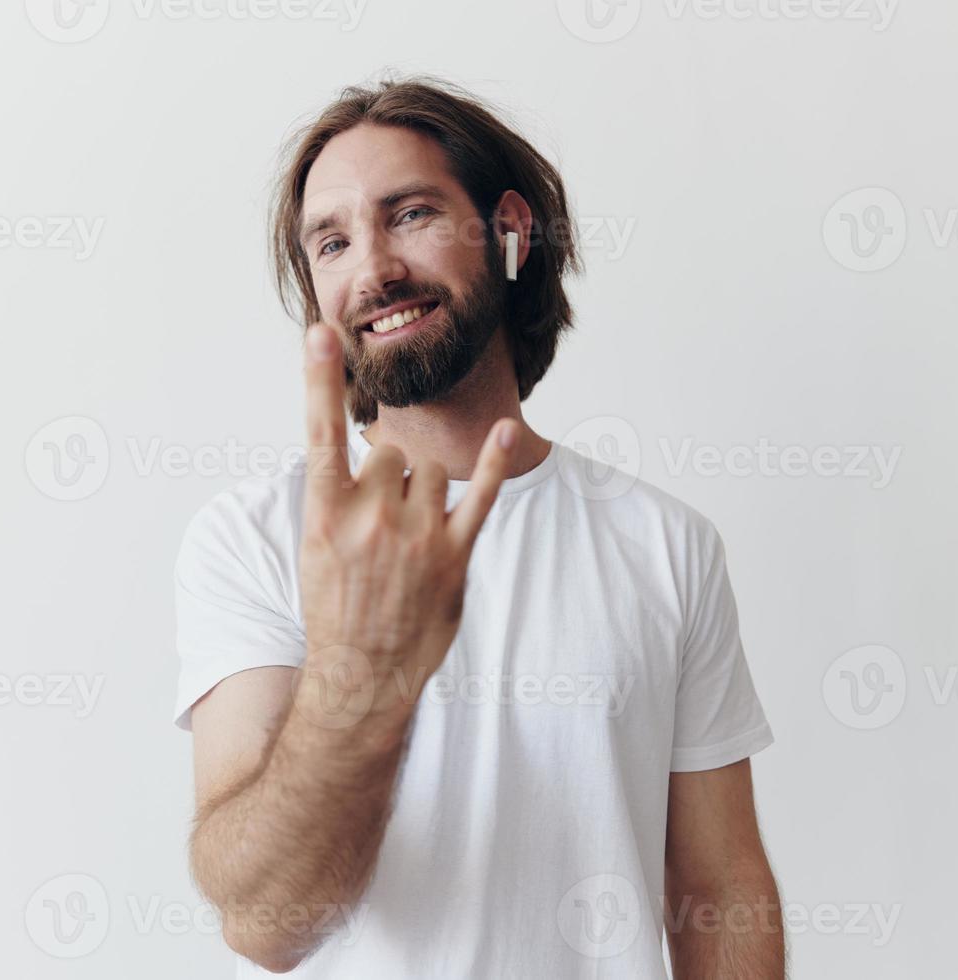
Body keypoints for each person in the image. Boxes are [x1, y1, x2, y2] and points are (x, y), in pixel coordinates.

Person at [172, 75, 784, 978]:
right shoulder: (254, 536)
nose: (373, 269)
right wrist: (363, 679)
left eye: (410, 215)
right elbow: (266, 923)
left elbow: (721, 888)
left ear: (508, 230)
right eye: (332, 242)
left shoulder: (667, 545)